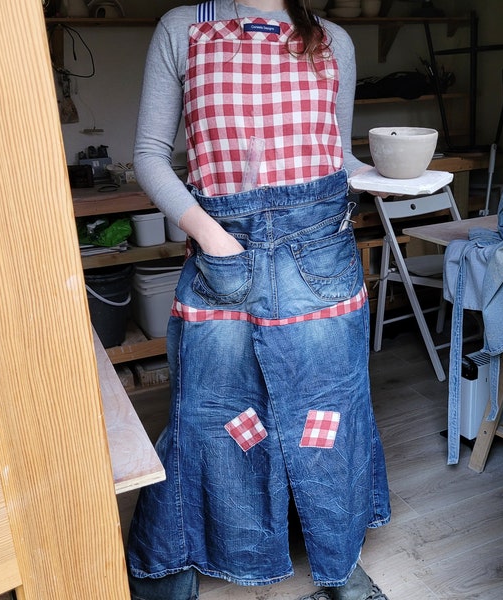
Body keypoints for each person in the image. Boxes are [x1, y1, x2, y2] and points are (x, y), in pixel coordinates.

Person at [127, 1, 391, 599]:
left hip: (319, 258)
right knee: (214, 411)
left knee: (329, 414)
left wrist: (384, 176)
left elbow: (337, 157)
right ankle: (173, 560)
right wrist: (211, 235)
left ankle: (340, 564)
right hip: (224, 252)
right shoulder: (181, 29)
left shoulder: (333, 40)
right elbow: (147, 154)